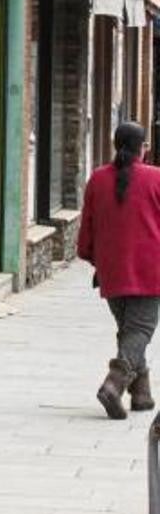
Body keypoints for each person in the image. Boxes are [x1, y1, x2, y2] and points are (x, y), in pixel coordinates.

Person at [78, 121, 160, 420]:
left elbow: (87, 226)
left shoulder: (98, 179)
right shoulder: (156, 179)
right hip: (150, 271)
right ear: (143, 148)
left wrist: (91, 256)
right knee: (139, 330)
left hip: (111, 270)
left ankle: (141, 394)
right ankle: (114, 383)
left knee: (129, 331)